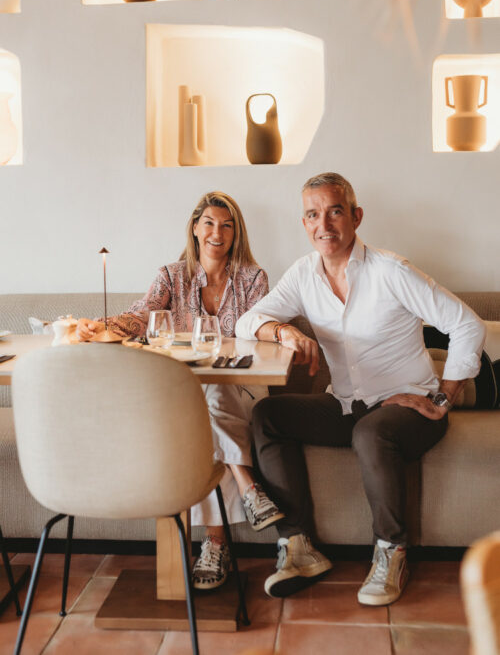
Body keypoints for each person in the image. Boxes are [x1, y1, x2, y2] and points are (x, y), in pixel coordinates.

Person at [235, 172, 486, 604]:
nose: (324, 224)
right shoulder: (303, 274)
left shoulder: (391, 270)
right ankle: (298, 547)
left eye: (335, 211)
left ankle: (392, 551)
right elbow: (247, 321)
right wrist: (283, 332)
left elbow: (467, 325)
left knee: (371, 431)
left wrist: (443, 398)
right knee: (268, 416)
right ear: (304, 223)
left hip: (410, 409)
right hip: (348, 405)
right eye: (313, 214)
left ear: (356, 216)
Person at [76, 191, 284, 589]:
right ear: (194, 227)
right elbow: (142, 313)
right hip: (193, 394)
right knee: (200, 402)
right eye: (209, 222)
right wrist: (101, 325)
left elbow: (260, 332)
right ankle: (246, 491)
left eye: (226, 225)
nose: (217, 232)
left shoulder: (253, 278)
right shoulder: (171, 276)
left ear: (236, 232)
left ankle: (216, 543)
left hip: (244, 387)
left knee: (208, 395)